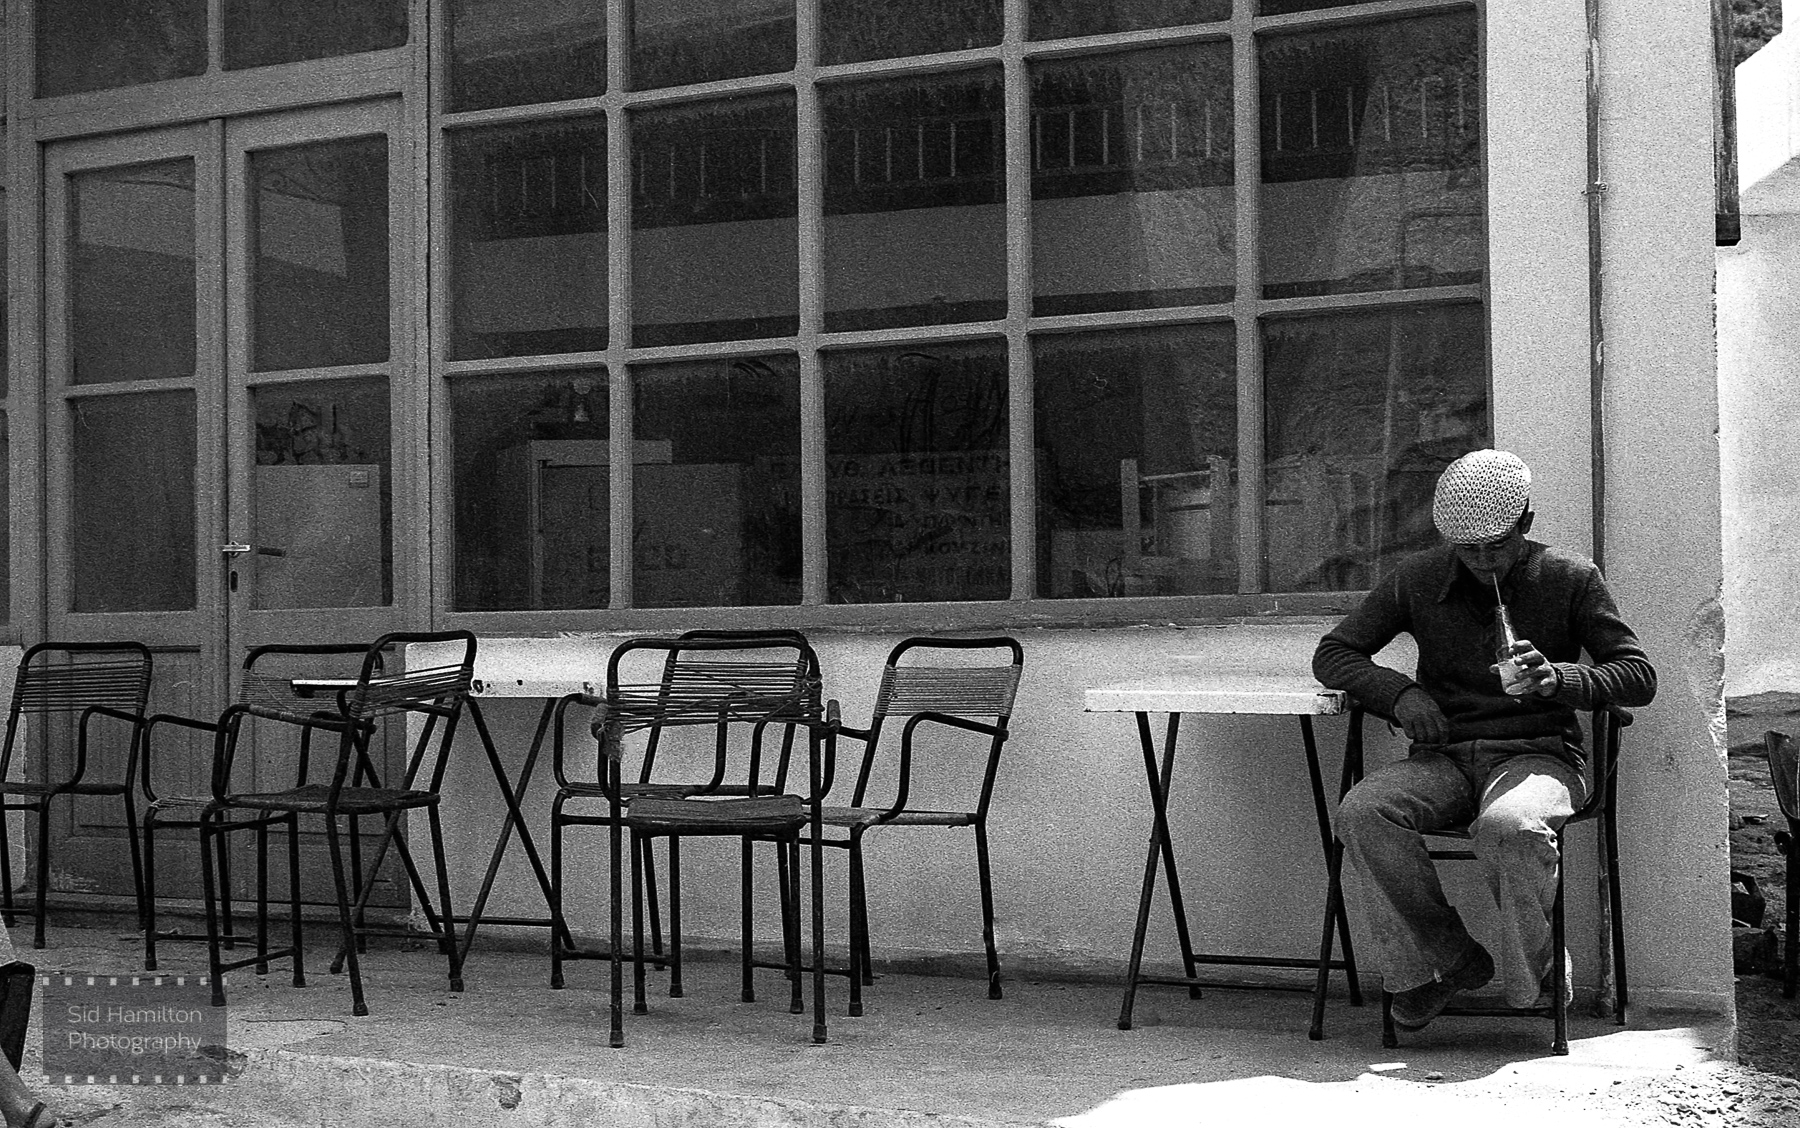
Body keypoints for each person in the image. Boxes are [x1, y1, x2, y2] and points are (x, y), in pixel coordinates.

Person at [1312, 448, 1656, 1031]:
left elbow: (1638, 676)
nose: (1480, 561)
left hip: (1538, 754)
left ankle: (1535, 980)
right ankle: (1444, 964)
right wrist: (1400, 694)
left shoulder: (1569, 577)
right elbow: (1335, 652)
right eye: (1466, 549)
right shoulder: (1419, 577)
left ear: (1525, 522)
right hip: (1443, 758)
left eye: (1495, 546)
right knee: (1363, 812)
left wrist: (1560, 679)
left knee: (1510, 826)